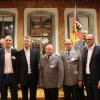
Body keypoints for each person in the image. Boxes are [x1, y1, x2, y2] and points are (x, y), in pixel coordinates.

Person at [18, 36, 39, 100]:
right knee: (24, 97)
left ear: (30, 43)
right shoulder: (19, 53)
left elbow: (36, 68)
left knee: (33, 96)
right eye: (25, 41)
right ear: (23, 42)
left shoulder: (35, 53)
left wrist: (37, 80)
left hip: (33, 78)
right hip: (23, 78)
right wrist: (18, 81)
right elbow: (18, 68)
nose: (26, 42)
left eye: (28, 41)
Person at [0, 35, 18, 100]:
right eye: (6, 40)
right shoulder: (0, 52)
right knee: (3, 97)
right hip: (3, 77)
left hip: (13, 77)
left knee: (14, 96)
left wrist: (18, 79)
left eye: (9, 40)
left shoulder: (15, 52)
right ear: (4, 42)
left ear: (12, 42)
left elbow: (17, 66)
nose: (8, 41)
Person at [82, 34, 100, 100]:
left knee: (97, 97)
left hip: (96, 79)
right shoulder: (85, 50)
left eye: (89, 39)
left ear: (93, 40)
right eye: (86, 39)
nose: (87, 41)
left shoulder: (99, 49)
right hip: (87, 78)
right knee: (89, 97)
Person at [74, 29, 88, 100]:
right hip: (79, 68)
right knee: (80, 88)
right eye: (82, 33)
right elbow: (75, 55)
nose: (83, 35)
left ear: (87, 34)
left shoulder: (90, 42)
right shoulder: (76, 44)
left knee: (89, 88)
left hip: (89, 68)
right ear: (80, 35)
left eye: (85, 33)